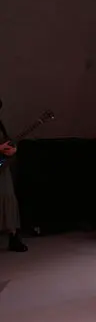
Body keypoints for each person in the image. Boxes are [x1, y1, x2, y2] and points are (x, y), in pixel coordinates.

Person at [0, 98, 27, 253]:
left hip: (2, 167)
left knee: (8, 197)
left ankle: (13, 235)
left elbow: (7, 142)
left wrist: (11, 149)